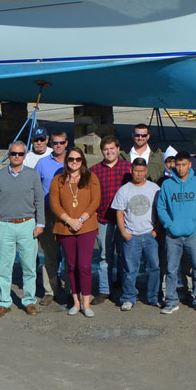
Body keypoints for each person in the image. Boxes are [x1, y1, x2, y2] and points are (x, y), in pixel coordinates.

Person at [0, 141, 44, 318]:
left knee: (29, 266)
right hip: (4, 225)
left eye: (20, 154)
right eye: (13, 154)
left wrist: (40, 223)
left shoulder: (32, 175)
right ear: (8, 155)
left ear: (25, 156)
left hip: (27, 224)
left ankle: (29, 301)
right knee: (4, 267)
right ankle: (4, 302)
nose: (17, 157)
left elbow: (40, 199)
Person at [48, 147, 101, 316]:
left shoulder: (91, 178)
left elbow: (95, 201)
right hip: (66, 227)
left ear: (82, 161)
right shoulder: (58, 180)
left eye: (78, 159)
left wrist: (81, 219)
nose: (74, 162)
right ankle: (76, 301)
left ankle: (86, 303)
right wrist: (69, 220)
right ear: (66, 161)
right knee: (71, 266)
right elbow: (54, 204)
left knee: (84, 266)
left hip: (87, 226)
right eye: (71, 159)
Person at [155, 150, 196, 314]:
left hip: (193, 234)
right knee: (171, 270)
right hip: (173, 235)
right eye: (177, 165)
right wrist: (169, 225)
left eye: (183, 164)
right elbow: (161, 207)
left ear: (189, 165)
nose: (180, 168)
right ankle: (171, 301)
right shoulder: (167, 184)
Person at [111, 158, 161, 311]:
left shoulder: (154, 188)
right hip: (131, 236)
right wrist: (124, 233)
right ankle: (128, 297)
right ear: (131, 171)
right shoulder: (124, 190)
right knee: (130, 269)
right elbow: (119, 212)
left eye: (141, 171)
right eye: (136, 171)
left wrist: (156, 231)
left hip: (149, 235)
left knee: (154, 267)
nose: (139, 174)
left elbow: (160, 211)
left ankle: (153, 297)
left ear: (146, 171)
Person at [89, 136, 131, 304]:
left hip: (125, 220)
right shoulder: (94, 171)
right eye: (106, 149)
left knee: (124, 254)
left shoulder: (128, 168)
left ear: (118, 148)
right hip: (103, 219)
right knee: (105, 257)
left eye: (112, 148)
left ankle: (121, 286)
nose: (109, 152)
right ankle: (104, 290)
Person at [33, 129, 68, 305]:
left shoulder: (74, 161)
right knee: (49, 253)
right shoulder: (42, 163)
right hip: (47, 212)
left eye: (62, 142)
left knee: (69, 254)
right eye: (55, 143)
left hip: (68, 213)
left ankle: (70, 289)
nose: (59, 145)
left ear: (66, 143)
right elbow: (36, 188)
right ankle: (50, 290)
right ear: (50, 143)